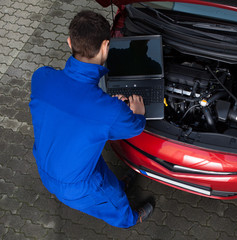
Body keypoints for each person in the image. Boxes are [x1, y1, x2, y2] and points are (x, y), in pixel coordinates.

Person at [29, 10, 153, 228]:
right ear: (106, 46)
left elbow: (76, 106)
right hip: (76, 185)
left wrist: (106, 105)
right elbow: (134, 128)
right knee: (114, 200)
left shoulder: (41, 77)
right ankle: (130, 219)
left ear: (69, 42)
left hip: (48, 162)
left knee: (103, 172)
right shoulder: (110, 111)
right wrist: (138, 113)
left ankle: (119, 186)